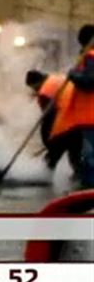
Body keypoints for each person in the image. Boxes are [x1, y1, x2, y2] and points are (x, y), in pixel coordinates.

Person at [49, 24, 94, 188]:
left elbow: (89, 82)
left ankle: (89, 188)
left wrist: (73, 75)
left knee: (90, 156)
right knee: (83, 155)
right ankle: (84, 183)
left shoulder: (91, 56)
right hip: (84, 117)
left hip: (90, 117)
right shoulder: (86, 57)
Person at [24, 70, 82, 174]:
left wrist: (48, 142)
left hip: (66, 122)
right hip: (81, 118)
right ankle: (81, 179)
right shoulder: (58, 79)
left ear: (36, 82)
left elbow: (48, 117)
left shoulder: (44, 92)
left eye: (33, 87)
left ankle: (44, 177)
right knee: (75, 153)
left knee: (53, 154)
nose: (34, 90)